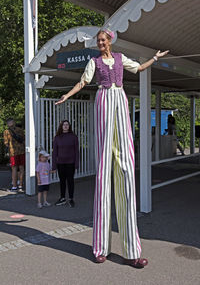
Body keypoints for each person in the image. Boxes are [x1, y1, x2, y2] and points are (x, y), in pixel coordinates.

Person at [55, 29, 169, 268]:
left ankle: (132, 251)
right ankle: (100, 247)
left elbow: (138, 68)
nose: (100, 43)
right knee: (104, 171)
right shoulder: (93, 62)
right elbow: (83, 81)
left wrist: (155, 59)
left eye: (103, 40)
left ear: (110, 41)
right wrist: (67, 94)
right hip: (104, 100)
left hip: (119, 100)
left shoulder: (119, 58)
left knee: (126, 168)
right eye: (98, 41)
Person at [52, 120, 79, 208]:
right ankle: (62, 198)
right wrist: (54, 165)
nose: (66, 126)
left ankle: (71, 199)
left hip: (70, 163)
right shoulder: (57, 137)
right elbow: (54, 152)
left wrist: (76, 164)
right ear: (61, 126)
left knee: (70, 181)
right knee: (62, 181)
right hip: (60, 163)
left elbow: (76, 152)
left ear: (69, 126)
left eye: (67, 125)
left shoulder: (74, 137)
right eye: (64, 125)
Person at [4, 118, 25, 193]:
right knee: (22, 168)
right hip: (22, 151)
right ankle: (20, 186)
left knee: (14, 169)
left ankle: (14, 186)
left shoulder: (6, 132)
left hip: (13, 153)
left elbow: (6, 143)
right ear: (14, 122)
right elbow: (24, 139)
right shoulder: (20, 130)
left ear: (8, 124)